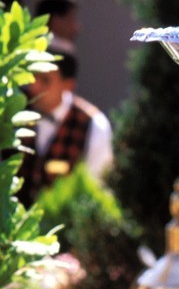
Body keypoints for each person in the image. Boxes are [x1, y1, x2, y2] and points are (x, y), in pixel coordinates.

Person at [21, 39, 113, 203]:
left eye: (45, 80)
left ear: (68, 85)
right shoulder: (12, 111)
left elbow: (96, 191)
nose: (34, 86)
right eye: (32, 76)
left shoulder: (94, 125)